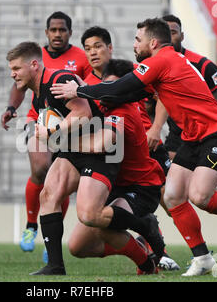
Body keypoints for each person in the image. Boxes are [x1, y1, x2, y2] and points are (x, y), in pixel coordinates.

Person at [51, 18, 217, 276]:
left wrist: (80, 91)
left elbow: (121, 86)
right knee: (173, 196)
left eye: (137, 40)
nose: (134, 44)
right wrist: (90, 93)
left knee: (199, 196)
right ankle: (203, 257)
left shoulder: (160, 60)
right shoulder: (164, 64)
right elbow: (128, 94)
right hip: (193, 137)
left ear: (152, 42)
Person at [81, 26, 178, 271]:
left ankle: (157, 245)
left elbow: (163, 93)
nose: (93, 52)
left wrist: (156, 128)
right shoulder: (90, 86)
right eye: (88, 48)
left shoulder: (128, 86)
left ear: (110, 48)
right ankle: (141, 240)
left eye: (98, 46)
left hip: (143, 164)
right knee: (78, 246)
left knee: (173, 198)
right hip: (116, 176)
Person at [0, 11, 91, 254]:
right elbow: (19, 85)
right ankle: (31, 225)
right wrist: (11, 107)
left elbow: (89, 90)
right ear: (47, 33)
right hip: (39, 119)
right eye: (54, 30)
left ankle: (52, 233)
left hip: (70, 123)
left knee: (59, 179)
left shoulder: (81, 58)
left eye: (62, 30)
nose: (58, 34)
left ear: (70, 33)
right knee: (41, 168)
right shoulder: (33, 57)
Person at [67, 59, 168, 275]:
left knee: (103, 225)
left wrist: (56, 138)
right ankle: (136, 245)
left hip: (140, 188)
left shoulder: (125, 113)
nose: (109, 93)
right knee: (78, 247)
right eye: (107, 87)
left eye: (115, 87)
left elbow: (102, 144)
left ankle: (146, 252)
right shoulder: (104, 104)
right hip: (115, 185)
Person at [158, 14, 217, 206]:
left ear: (182, 35)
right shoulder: (156, 65)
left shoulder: (201, 64)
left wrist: (212, 132)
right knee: (171, 193)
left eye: (174, 32)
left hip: (205, 132)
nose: (170, 38)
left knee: (197, 194)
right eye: (166, 33)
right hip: (178, 131)